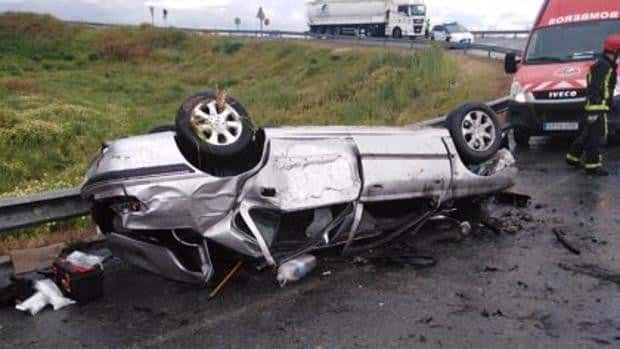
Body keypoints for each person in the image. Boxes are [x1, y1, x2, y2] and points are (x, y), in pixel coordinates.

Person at [566, 34, 619, 176]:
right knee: (598, 135)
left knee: (588, 133)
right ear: (614, 51)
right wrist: (597, 103)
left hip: (597, 105)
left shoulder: (604, 64)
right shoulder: (603, 65)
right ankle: (592, 165)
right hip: (597, 106)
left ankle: (573, 157)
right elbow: (595, 87)